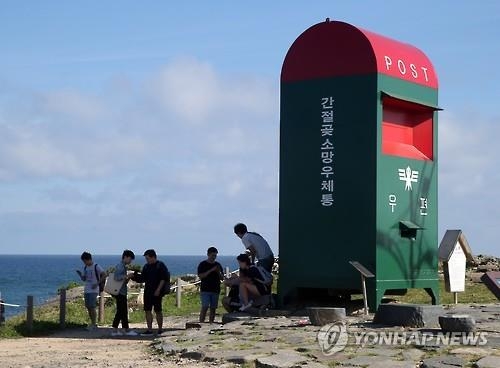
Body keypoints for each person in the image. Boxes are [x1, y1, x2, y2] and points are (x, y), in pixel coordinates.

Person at [135, 249, 169, 335]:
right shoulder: (146, 266)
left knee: (158, 310)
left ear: (153, 257)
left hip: (157, 292)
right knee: (147, 310)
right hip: (148, 291)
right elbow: (142, 278)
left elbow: (163, 279)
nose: (146, 260)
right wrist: (134, 276)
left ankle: (160, 328)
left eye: (147, 258)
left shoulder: (160, 265)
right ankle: (149, 329)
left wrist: (158, 290)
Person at [76, 251, 106, 331]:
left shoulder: (96, 266)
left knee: (92, 306)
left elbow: (104, 274)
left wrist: (97, 283)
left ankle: (94, 323)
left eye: (84, 261)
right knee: (88, 306)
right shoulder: (86, 268)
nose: (84, 263)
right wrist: (80, 274)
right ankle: (92, 322)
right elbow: (84, 279)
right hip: (87, 289)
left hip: (94, 289)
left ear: (88, 259)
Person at [111, 250, 138, 337]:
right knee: (121, 311)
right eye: (130, 259)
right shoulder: (120, 266)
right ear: (125, 257)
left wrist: (127, 278)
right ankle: (121, 330)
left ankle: (121, 329)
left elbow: (123, 281)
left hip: (121, 291)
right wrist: (127, 276)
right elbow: (116, 277)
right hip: (120, 292)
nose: (130, 261)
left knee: (122, 311)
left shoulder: (123, 266)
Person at [197, 246, 224, 323]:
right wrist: (211, 270)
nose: (214, 257)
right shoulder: (203, 264)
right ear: (208, 254)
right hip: (205, 289)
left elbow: (222, 278)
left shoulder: (218, 265)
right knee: (205, 306)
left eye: (215, 256)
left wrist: (218, 272)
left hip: (215, 289)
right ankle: (201, 322)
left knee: (213, 308)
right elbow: (201, 276)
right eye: (212, 255)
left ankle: (211, 322)